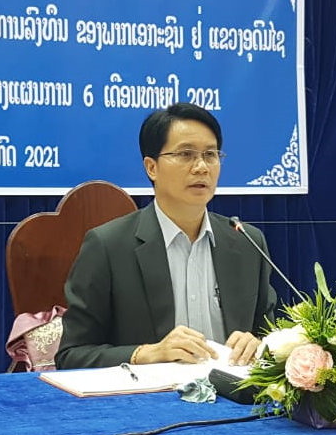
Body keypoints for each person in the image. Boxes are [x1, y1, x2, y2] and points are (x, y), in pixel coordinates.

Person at [55, 102, 279, 370]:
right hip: (150, 395)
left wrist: (259, 345)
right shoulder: (108, 246)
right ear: (152, 167)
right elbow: (72, 355)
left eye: (210, 154)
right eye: (186, 154)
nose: (201, 167)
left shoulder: (247, 242)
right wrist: (147, 353)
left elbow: (270, 337)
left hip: (232, 392)